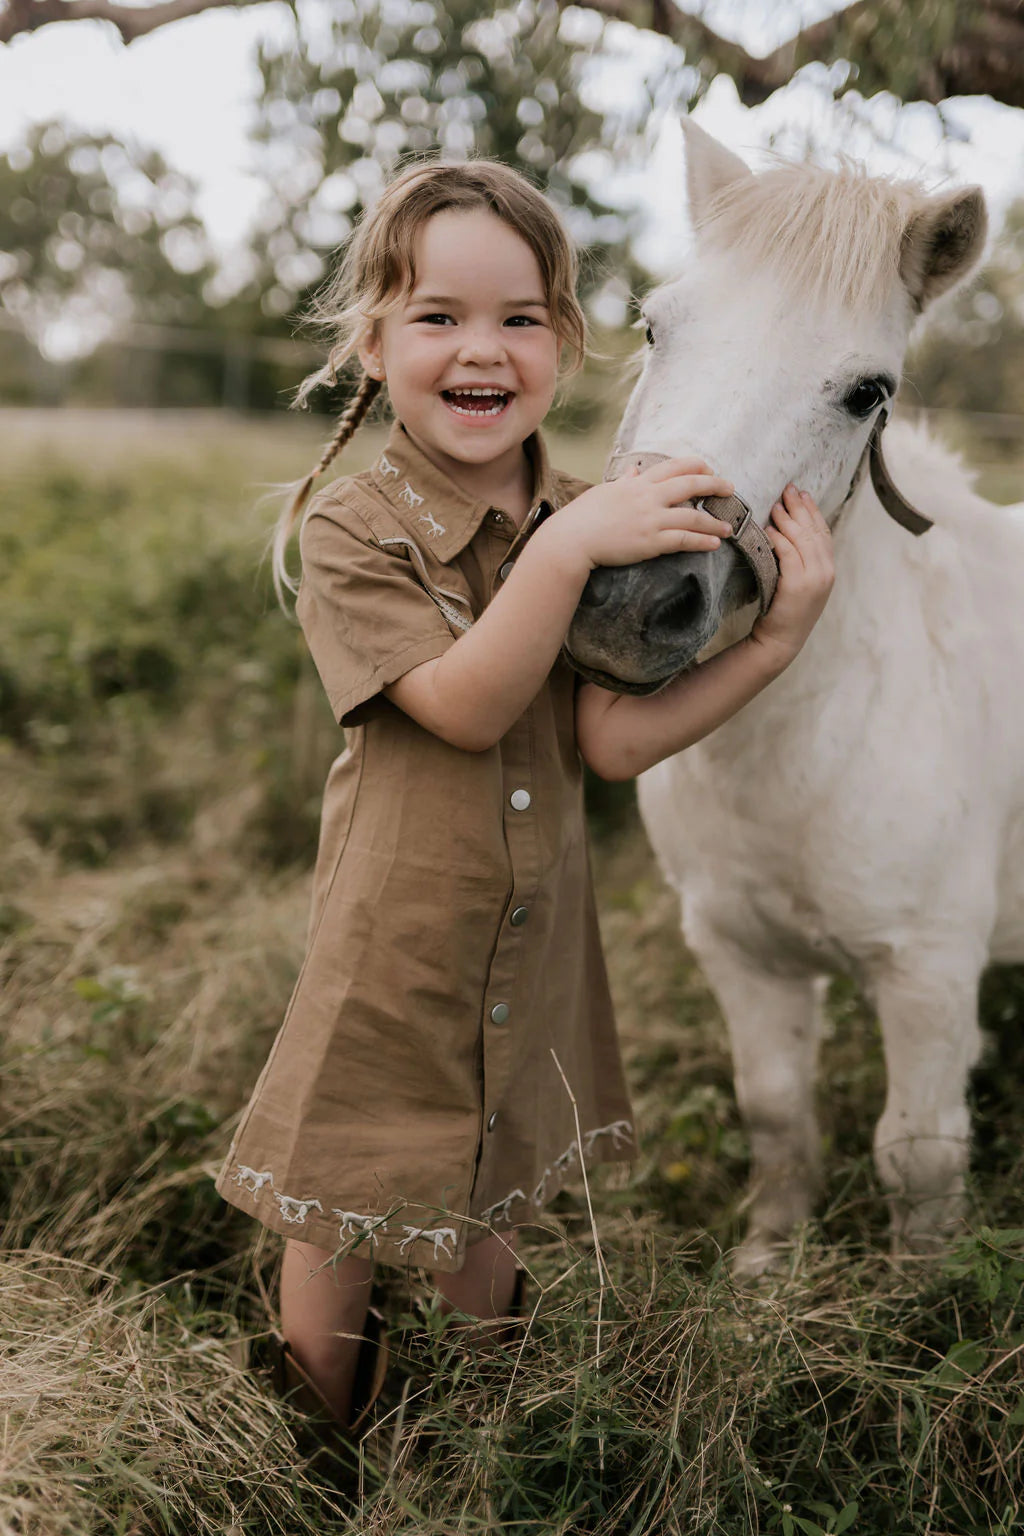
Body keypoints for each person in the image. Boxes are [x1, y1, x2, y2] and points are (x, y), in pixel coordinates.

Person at [215, 159, 834, 1429]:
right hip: (393, 945)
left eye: (518, 318)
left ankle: (483, 1430)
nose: (478, 350)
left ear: (564, 338)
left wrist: (771, 643)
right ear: (373, 341)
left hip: (536, 934)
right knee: (344, 1192)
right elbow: (462, 705)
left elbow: (607, 740)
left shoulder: (583, 511)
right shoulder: (357, 530)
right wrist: (564, 548)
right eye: (437, 316)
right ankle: (315, 1439)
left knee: (498, 1187)